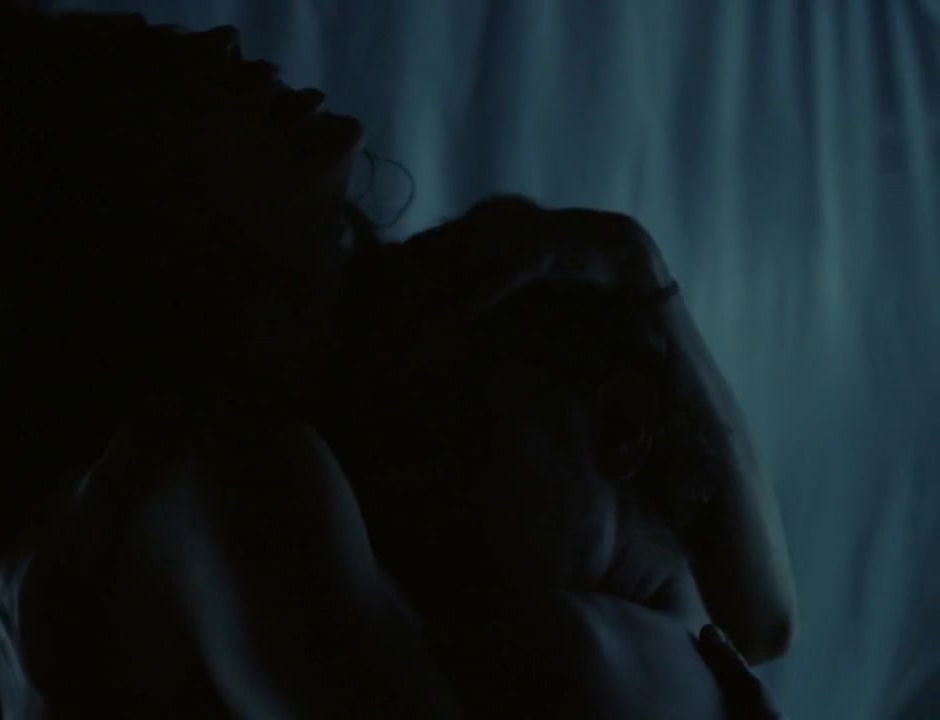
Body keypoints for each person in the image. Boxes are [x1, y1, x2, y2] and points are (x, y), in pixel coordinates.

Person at [0, 3, 786, 718]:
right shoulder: (225, 476)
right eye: (159, 77)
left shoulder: (389, 383)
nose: (220, 43)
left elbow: (758, 616)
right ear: (108, 216)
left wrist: (634, 264)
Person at [327, 197, 796, 716]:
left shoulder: (558, 652)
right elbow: (768, 623)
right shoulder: (704, 650)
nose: (422, 489)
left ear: (622, 430)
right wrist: (644, 275)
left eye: (467, 434)